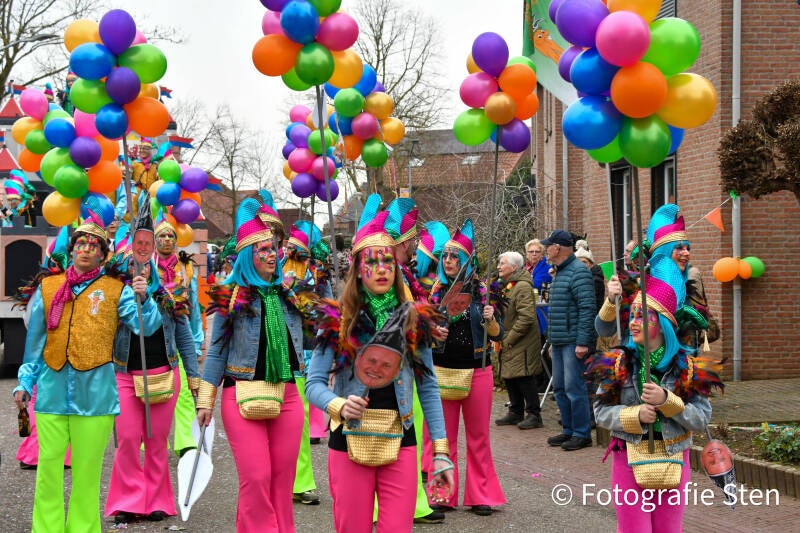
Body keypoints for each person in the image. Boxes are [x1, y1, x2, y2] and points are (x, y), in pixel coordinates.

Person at [305, 207, 454, 533]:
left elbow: (428, 388)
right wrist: (337, 404)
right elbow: (313, 384)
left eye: (388, 261)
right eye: (372, 262)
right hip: (348, 440)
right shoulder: (338, 319)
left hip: (401, 439)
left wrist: (441, 451)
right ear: (358, 270)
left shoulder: (414, 319)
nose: (382, 269)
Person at [12, 213, 159, 533]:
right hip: (51, 394)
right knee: (48, 471)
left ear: (103, 255)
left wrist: (144, 297)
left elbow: (146, 327)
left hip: (95, 398)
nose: (86, 248)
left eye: (94, 245)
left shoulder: (116, 290)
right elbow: (34, 345)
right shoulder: (48, 288)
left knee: (87, 475)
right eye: (80, 243)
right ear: (72, 249)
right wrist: (24, 383)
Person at [586, 254, 723, 532]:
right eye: (632, 315)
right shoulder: (619, 363)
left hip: (674, 458)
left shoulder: (688, 367)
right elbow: (600, 413)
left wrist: (667, 401)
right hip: (628, 457)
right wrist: (634, 415)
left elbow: (701, 419)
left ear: (662, 324)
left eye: (642, 316)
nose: (633, 322)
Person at [197, 197, 305, 532]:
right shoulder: (231, 295)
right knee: (256, 478)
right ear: (248, 256)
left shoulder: (290, 294)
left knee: (282, 482)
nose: (273, 255)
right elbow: (216, 352)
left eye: (274, 248)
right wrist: (205, 400)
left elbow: (322, 331)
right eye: (264, 250)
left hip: (287, 395)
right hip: (240, 394)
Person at [105, 201, 201, 524]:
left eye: (148, 249)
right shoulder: (116, 293)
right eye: (138, 248)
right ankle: (129, 500)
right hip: (124, 374)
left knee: (156, 441)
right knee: (128, 439)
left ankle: (158, 499)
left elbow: (184, 336)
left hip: (163, 374)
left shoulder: (167, 295)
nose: (142, 262)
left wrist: (194, 377)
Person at [424, 219, 506, 515]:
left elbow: (498, 335)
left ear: (467, 261)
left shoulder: (483, 293)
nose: (448, 260)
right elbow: (420, 334)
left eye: (454, 256)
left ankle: (480, 495)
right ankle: (441, 494)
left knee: (478, 437)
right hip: (441, 371)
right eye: (445, 256)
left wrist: (490, 319)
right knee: (442, 438)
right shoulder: (434, 293)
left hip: (478, 371)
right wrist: (433, 331)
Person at [383, 195, 446, 525]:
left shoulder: (406, 276)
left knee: (411, 437)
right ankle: (396, 505)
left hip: (410, 370)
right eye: (410, 243)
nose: (414, 248)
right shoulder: (384, 280)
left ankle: (413, 503)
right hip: (387, 376)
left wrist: (428, 328)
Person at [283, 220, 332, 506]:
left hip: (305, 351)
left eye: (297, 247)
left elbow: (326, 311)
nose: (291, 251)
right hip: (275, 354)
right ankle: (276, 480)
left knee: (298, 420)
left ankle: (300, 483)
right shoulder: (272, 270)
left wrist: (297, 293)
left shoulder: (317, 274)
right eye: (289, 246)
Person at [541, 230, 596, 451]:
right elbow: (557, 310)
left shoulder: (579, 272)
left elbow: (587, 309)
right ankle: (568, 430)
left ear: (558, 248)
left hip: (573, 341)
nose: (546, 250)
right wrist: (552, 340)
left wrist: (582, 342)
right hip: (560, 341)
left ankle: (581, 433)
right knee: (561, 388)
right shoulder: (561, 272)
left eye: (549, 246)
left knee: (575, 388)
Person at [493, 251, 544, 430]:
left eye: (502, 263)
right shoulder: (508, 285)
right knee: (510, 375)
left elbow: (527, 317)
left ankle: (534, 414)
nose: (498, 266)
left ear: (514, 267)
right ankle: (516, 411)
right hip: (509, 337)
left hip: (522, 340)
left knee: (524, 376)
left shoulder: (522, 287)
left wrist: (509, 338)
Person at [524, 238, 552, 342]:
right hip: (527, 309)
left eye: (537, 251)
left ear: (542, 254)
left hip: (541, 310)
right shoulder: (524, 268)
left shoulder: (547, 269)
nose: (534, 254)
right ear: (527, 254)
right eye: (531, 251)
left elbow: (535, 285)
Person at [574, 239, 605, 315]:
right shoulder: (578, 277)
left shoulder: (595, 280)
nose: (581, 265)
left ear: (591, 264)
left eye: (584, 262)